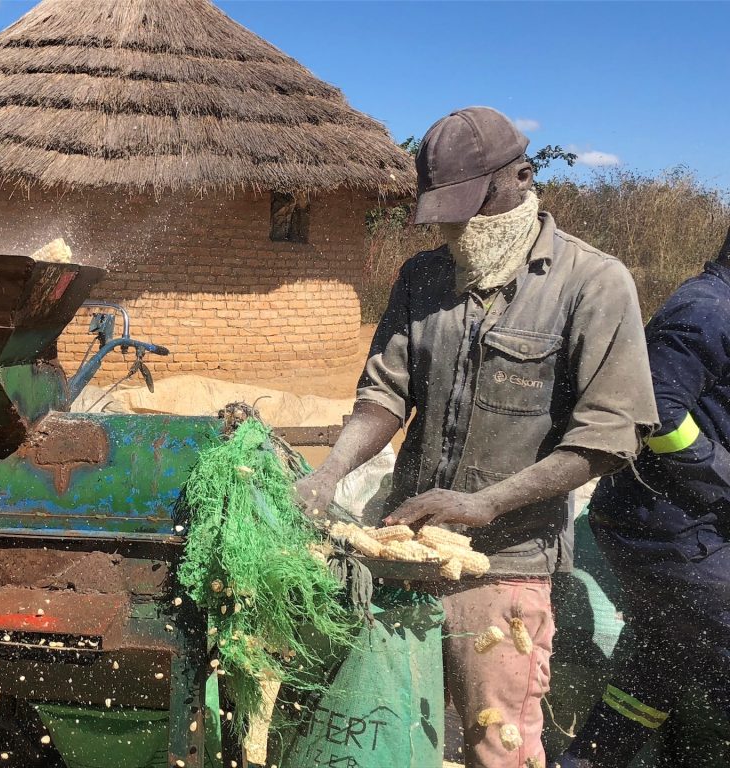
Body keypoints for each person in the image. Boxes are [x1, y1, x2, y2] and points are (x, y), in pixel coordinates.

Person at [294, 106, 658, 768]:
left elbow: (607, 438)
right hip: (405, 557)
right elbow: (383, 397)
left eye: (468, 208)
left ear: (521, 177)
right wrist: (331, 470)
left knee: (499, 745)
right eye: (443, 212)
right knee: (394, 733)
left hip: (506, 568)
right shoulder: (422, 279)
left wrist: (484, 504)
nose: (453, 228)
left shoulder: (593, 285)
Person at [559, 226, 730, 767]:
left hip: (664, 528)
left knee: (662, 664)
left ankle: (588, 760)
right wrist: (723, 474)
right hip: (671, 535)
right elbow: (654, 411)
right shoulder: (707, 311)